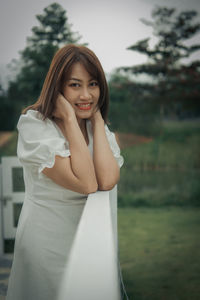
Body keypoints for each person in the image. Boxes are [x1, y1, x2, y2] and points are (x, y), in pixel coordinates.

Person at [6, 44, 124, 300]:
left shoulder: (96, 127)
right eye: (74, 85)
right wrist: (70, 121)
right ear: (57, 86)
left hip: (92, 241)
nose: (86, 95)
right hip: (46, 245)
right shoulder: (35, 126)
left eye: (93, 84)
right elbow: (86, 183)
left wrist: (97, 120)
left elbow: (107, 180)